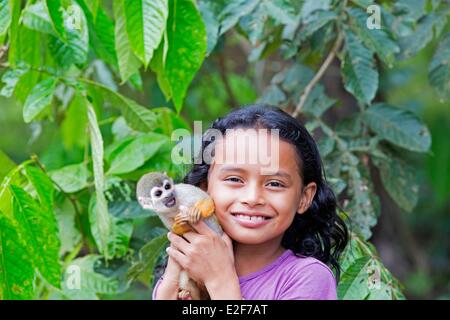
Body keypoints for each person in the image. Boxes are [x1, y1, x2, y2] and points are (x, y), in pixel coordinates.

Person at [152, 104, 348, 300]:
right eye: (234, 179)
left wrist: (220, 280)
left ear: (304, 197)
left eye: (274, 183)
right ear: (204, 187)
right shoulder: (179, 277)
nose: (253, 198)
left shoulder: (307, 278)